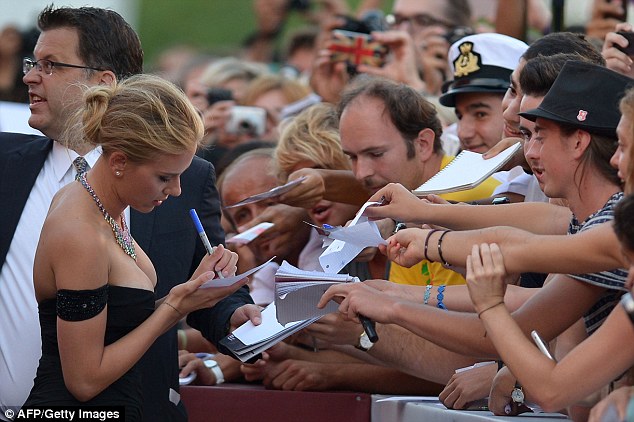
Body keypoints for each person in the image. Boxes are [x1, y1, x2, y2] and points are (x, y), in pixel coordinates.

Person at [316, 61, 630, 411]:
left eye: (538, 135)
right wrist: (393, 297)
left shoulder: (612, 223)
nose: (529, 151)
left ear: (579, 142)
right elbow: (503, 321)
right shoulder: (589, 223)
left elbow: (554, 386)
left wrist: (429, 252)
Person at [0, 6, 257, 421]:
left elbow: (204, 282)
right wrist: (174, 307)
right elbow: (83, 377)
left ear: (102, 82)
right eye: (33, 62)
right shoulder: (11, 169)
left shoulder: (184, 178)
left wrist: (234, 315)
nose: (29, 76)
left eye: (50, 65)